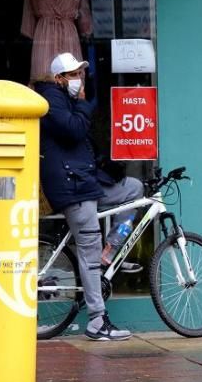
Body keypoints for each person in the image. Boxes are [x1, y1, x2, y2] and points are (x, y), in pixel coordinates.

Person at [34, 52, 144, 341]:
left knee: (134, 190)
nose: (78, 79)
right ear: (59, 79)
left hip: (86, 182)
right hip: (73, 187)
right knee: (88, 251)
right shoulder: (52, 100)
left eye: (80, 73)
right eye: (72, 75)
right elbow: (72, 131)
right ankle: (97, 320)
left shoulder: (66, 100)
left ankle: (113, 247)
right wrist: (82, 104)